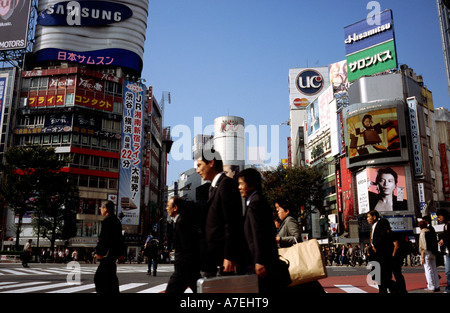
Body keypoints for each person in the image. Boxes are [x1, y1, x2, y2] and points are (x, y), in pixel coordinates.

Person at [195, 149, 247, 277]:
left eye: (199, 165)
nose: (197, 170)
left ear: (211, 162)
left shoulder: (226, 185)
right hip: (213, 257)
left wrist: (229, 256)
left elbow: (232, 222)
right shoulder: (213, 187)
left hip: (223, 259)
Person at [238, 168, 284, 292]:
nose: (239, 187)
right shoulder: (254, 200)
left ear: (251, 185)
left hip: (261, 263)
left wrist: (259, 261)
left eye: (241, 184)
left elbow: (258, 234)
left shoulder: (255, 202)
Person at [165, 196, 201, 293]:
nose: (166, 208)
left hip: (183, 269)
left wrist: (181, 268)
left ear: (175, 208)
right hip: (189, 268)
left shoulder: (182, 222)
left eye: (168, 206)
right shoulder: (181, 220)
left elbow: (187, 247)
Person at [94, 200, 125, 294]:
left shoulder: (107, 220)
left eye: (101, 208)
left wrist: (99, 252)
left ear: (105, 209)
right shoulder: (117, 221)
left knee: (99, 279)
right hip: (113, 255)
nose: (100, 210)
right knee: (112, 280)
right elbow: (120, 239)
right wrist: (120, 254)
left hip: (106, 255)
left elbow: (103, 239)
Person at [367, 210, 394, 293]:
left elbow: (382, 237)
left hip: (381, 255)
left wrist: (376, 246)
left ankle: (395, 288)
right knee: (378, 276)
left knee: (383, 277)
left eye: (368, 217)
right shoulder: (373, 226)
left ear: (374, 217)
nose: (367, 219)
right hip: (375, 255)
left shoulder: (381, 223)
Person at [418, 220, 440, 292]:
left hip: (426, 253)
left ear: (420, 226)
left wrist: (422, 257)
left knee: (428, 270)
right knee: (434, 269)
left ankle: (431, 286)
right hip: (433, 252)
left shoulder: (422, 232)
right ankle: (437, 285)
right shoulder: (431, 231)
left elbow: (422, 246)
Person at [437, 208, 450, 293]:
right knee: (448, 271)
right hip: (448, 251)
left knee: (448, 271)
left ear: (444, 216)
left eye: (439, 217)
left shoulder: (449, 224)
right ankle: (448, 288)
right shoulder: (445, 225)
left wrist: (443, 240)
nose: (438, 219)